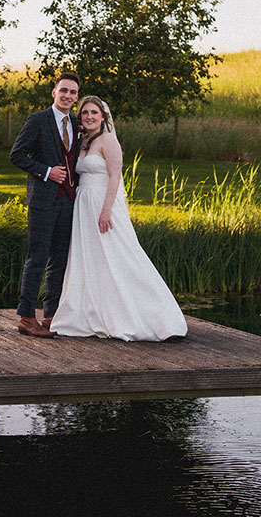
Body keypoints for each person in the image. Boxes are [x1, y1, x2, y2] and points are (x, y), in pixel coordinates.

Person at [51, 96, 187, 342]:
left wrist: (105, 211)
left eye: (94, 112)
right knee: (90, 258)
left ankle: (153, 314)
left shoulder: (108, 141)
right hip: (83, 206)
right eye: (84, 113)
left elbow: (115, 177)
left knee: (119, 254)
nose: (89, 117)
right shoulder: (81, 142)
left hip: (103, 205)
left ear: (103, 116)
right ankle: (90, 312)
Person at [9, 73, 80, 338]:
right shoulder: (37, 120)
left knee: (59, 260)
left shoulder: (76, 122)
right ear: (54, 92)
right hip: (42, 200)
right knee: (37, 258)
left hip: (67, 203)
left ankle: (51, 315)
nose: (68, 96)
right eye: (64, 90)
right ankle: (26, 316)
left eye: (73, 92)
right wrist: (47, 171)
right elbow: (16, 155)